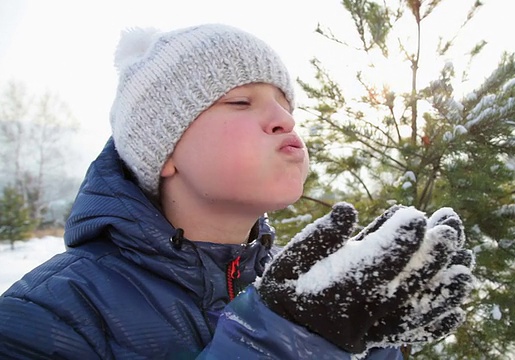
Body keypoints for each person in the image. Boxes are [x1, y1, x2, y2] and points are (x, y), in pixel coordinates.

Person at [0, 23, 475, 359]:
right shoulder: (50, 314)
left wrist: (364, 343)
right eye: (241, 102)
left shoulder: (302, 285)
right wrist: (283, 340)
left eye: (286, 106)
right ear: (163, 153)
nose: (285, 120)